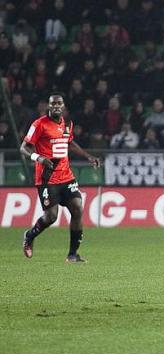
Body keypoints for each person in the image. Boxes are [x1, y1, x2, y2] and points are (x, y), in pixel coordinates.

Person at [20, 93, 101, 263]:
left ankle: (72, 255)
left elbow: (69, 143)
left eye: (59, 103)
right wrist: (39, 158)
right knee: (51, 217)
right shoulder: (39, 124)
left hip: (66, 176)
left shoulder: (67, 124)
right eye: (53, 103)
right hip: (47, 178)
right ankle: (29, 235)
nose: (56, 106)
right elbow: (24, 148)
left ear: (63, 106)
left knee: (77, 208)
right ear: (48, 106)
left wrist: (88, 157)